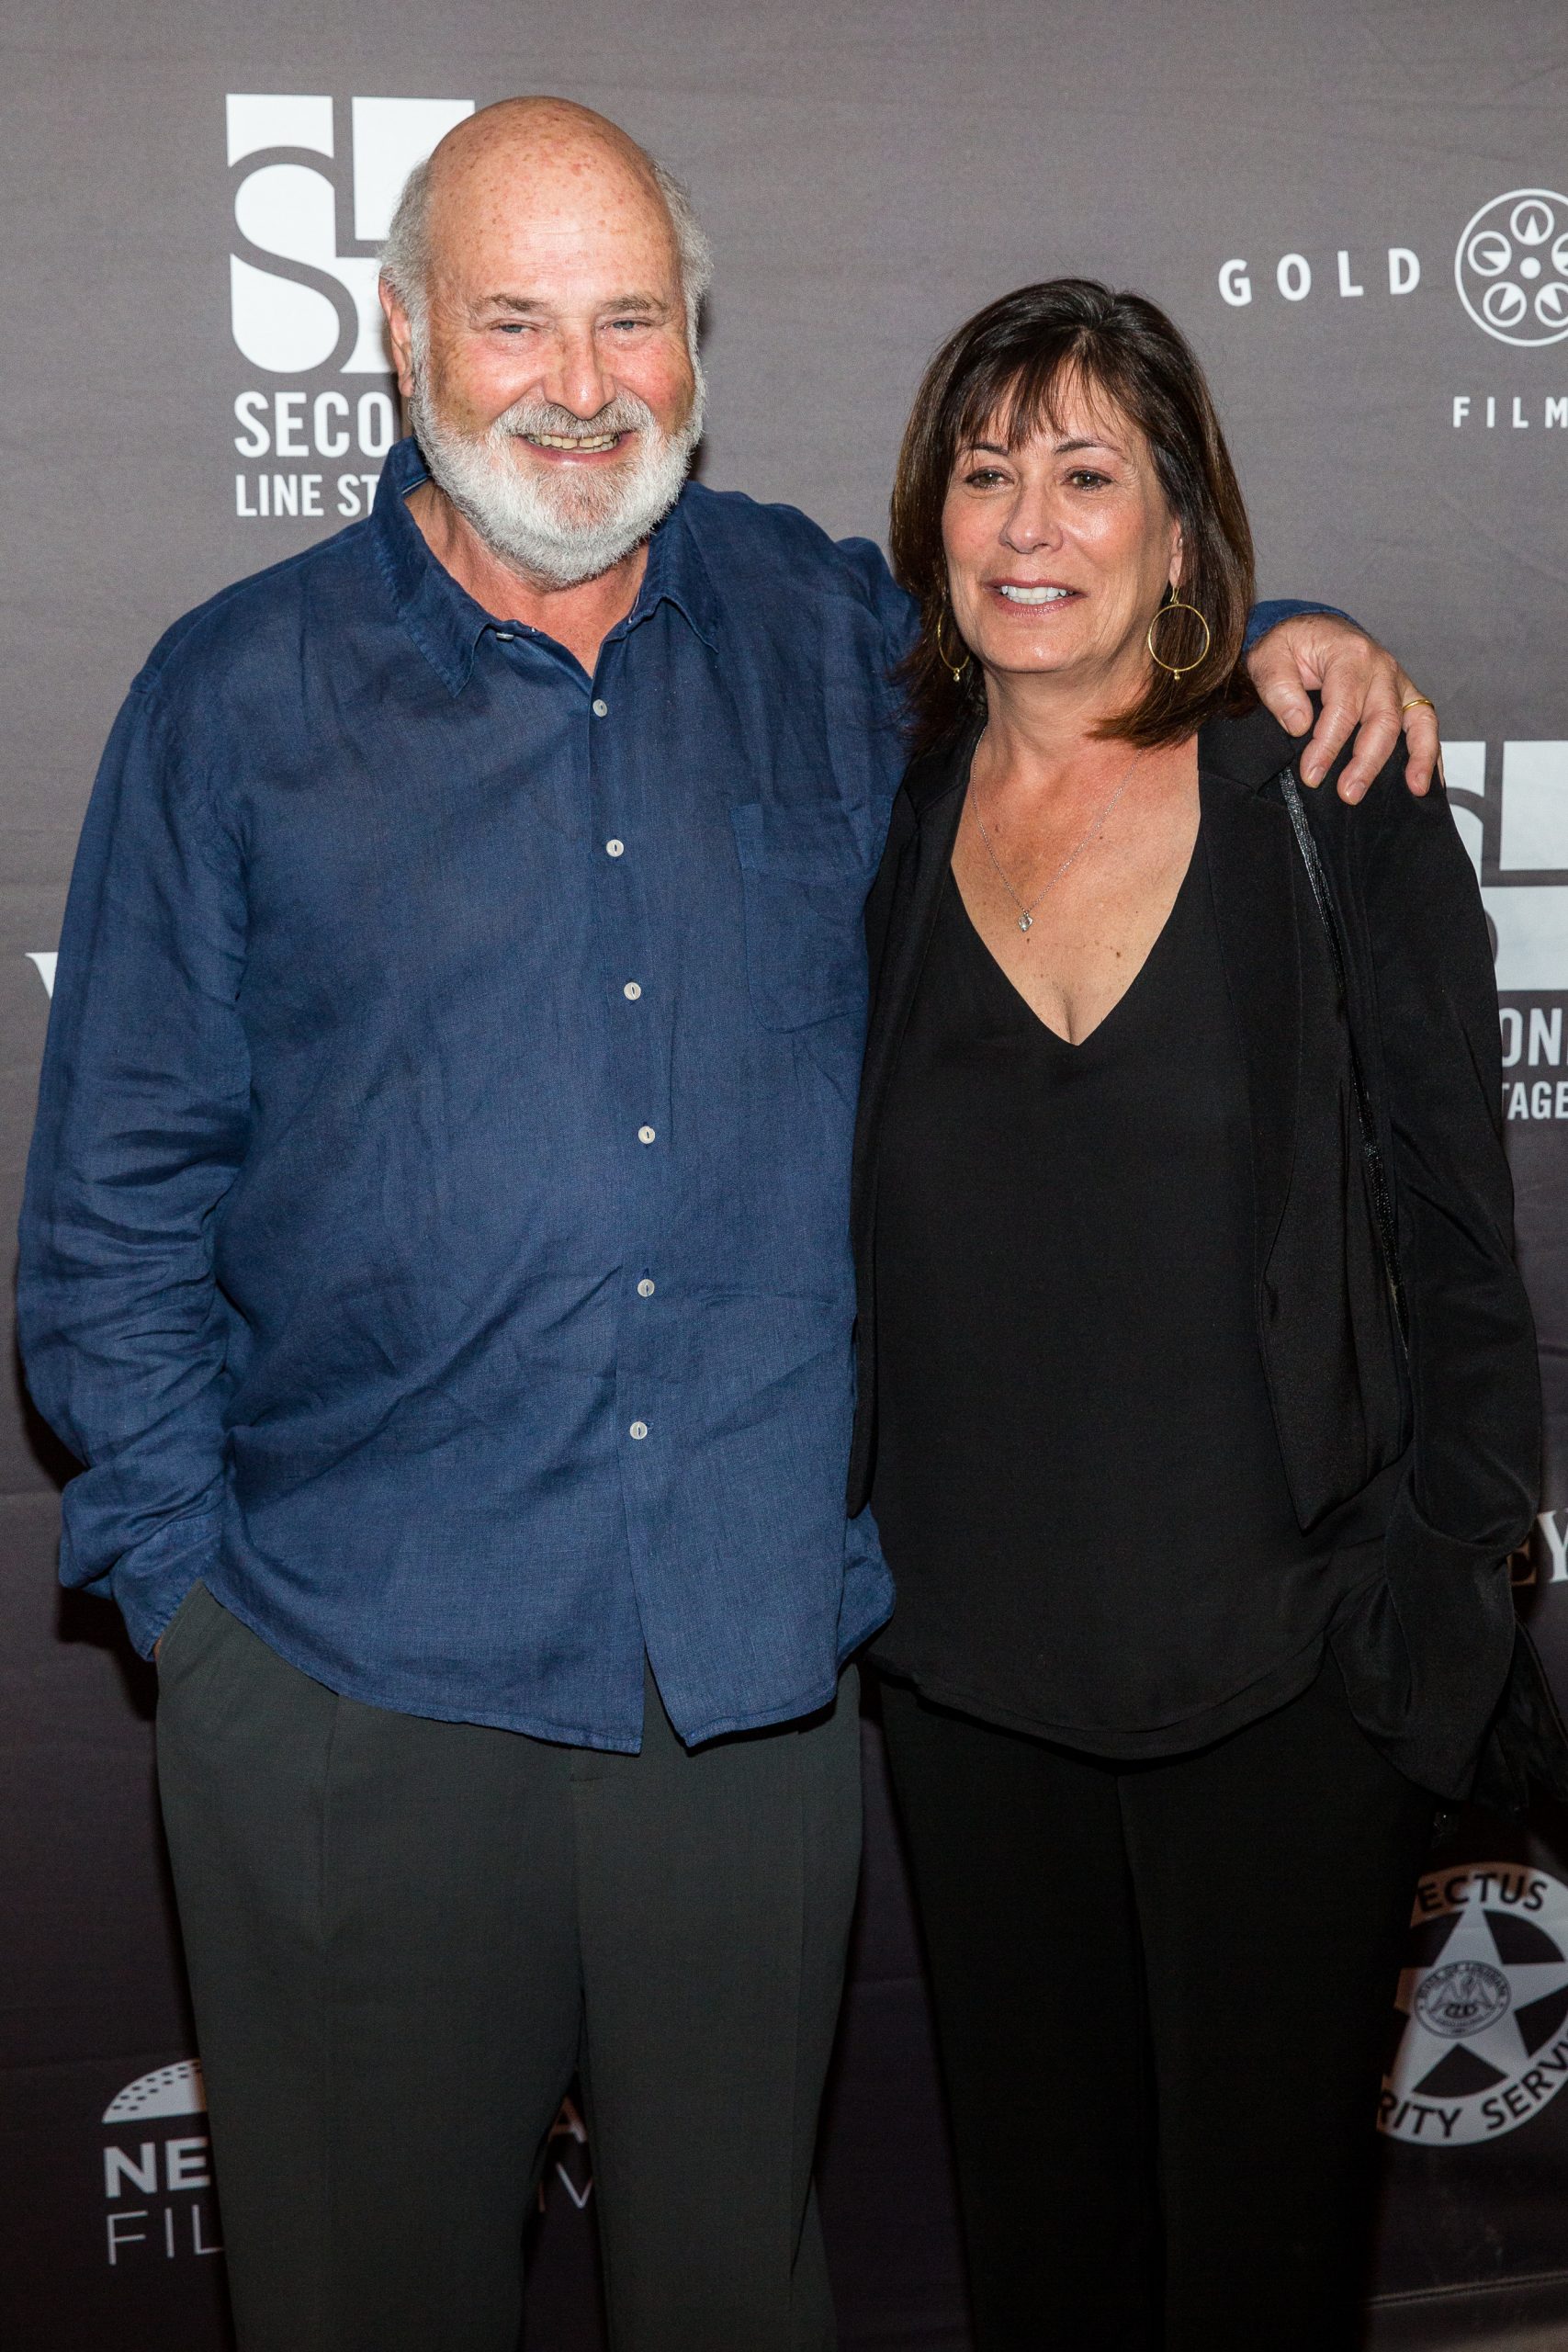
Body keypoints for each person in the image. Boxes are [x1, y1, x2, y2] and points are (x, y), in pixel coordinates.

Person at [19, 96, 1432, 2352]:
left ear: (697, 343)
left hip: (746, 1699)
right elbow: (108, 1222)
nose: (581, 384)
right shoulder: (233, 695)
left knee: (732, 2301)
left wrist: (1295, 634)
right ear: (398, 341)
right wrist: (213, 1629)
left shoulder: (821, 631)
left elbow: (1075, 643)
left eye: (633, 321)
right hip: (361, 1684)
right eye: (514, 320)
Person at [851, 277, 1542, 2352]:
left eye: (1086, 473)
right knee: (1045, 2273)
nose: (1029, 524)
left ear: (1179, 528)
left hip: (1284, 1697)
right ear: (929, 519)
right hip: (972, 1699)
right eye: (985, 475)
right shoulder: (873, 811)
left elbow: (1460, 1249)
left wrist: (1416, 1647)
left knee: (1259, 2279)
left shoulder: (1325, 794)